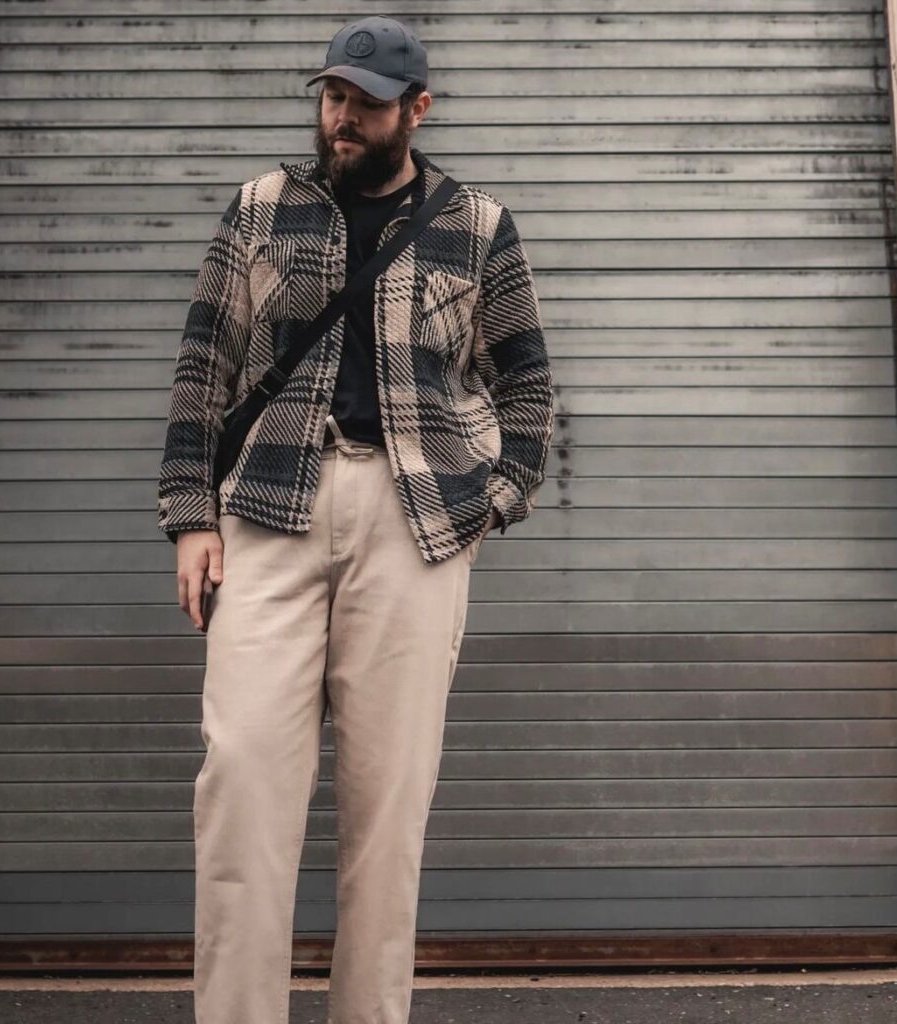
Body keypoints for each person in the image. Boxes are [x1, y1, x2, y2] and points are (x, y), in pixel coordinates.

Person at [156, 14, 555, 1024]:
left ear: (414, 111)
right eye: (333, 96)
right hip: (269, 512)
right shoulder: (257, 210)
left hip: (414, 520)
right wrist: (189, 518)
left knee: (387, 814)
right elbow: (203, 372)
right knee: (241, 782)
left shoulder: (477, 224)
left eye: (366, 103)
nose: (342, 118)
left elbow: (530, 387)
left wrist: (490, 502)